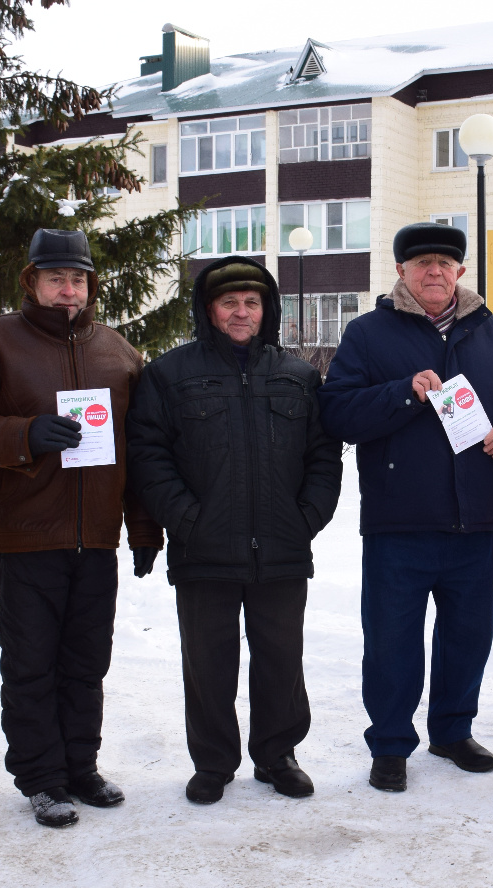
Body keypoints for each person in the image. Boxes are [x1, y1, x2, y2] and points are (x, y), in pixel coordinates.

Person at [0, 228, 163, 828]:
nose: (68, 290)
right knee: (31, 662)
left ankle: (80, 766)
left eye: (78, 279)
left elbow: (140, 448)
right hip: (26, 535)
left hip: (96, 539)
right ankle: (41, 777)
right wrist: (23, 435)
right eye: (56, 278)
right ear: (32, 282)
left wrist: (142, 529)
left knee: (87, 660)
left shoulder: (115, 351)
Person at [318, 222, 493, 792]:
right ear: (401, 272)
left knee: (468, 634)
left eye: (445, 263)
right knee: (392, 637)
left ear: (461, 272)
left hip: (476, 518)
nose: (434, 272)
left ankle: (451, 730)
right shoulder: (368, 333)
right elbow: (338, 412)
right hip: (400, 520)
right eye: (422, 264)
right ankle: (390, 744)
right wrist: (402, 393)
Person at [126, 256, 342, 805]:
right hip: (204, 546)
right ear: (209, 310)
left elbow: (324, 456)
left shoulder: (297, 376)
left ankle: (277, 755)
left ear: (265, 310)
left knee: (280, 657)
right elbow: (149, 457)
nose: (241, 312)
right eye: (230, 303)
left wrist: (307, 518)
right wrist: (186, 518)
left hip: (281, 546)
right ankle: (213, 762)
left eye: (252, 302)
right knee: (207, 661)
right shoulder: (169, 374)